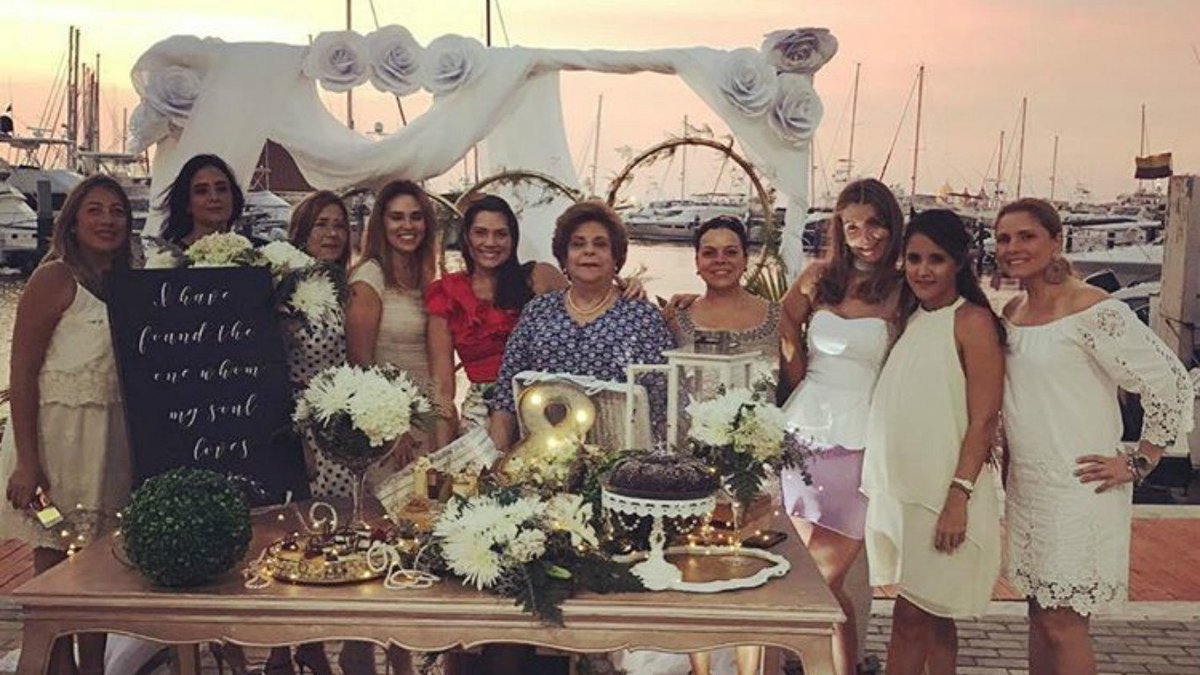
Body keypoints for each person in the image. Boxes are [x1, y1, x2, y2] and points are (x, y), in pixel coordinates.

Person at [995, 198, 1192, 674]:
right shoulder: (1013, 310)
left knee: (1064, 624)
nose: (1012, 247)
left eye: (1026, 236)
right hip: (1029, 487)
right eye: (1003, 238)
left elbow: (1170, 381)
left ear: (1056, 241)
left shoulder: (1093, 309)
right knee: (1039, 614)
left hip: (1080, 486)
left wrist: (1140, 461)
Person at [0, 175, 135, 675]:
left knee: (100, 561)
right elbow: (22, 370)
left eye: (117, 211)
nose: (107, 220)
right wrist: (28, 462)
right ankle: (58, 664)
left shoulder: (128, 283)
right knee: (56, 551)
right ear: (73, 221)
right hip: (56, 445)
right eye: (94, 210)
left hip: (111, 443)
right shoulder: (54, 279)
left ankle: (92, 664)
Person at [861, 209, 1005, 675]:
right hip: (907, 491)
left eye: (936, 259)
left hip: (945, 494)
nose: (923, 270)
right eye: (914, 258)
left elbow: (983, 420)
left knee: (910, 619)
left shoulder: (972, 321)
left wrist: (958, 498)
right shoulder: (913, 317)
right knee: (935, 617)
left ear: (959, 262)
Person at [776, 178, 904, 675]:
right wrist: (797, 375)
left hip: (862, 442)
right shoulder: (819, 278)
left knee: (822, 579)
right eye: (852, 227)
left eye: (874, 224)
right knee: (815, 580)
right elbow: (784, 322)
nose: (864, 237)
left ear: (892, 225)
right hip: (803, 435)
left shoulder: (904, 290)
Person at [668, 216, 779, 675]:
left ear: (746, 259)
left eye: (730, 251)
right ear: (696, 262)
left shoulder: (776, 316)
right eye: (709, 252)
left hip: (756, 464)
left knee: (751, 574)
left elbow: (793, 382)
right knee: (695, 570)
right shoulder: (677, 318)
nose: (720, 260)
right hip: (693, 463)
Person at [487, 200, 675, 453]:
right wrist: (493, 464)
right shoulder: (538, 311)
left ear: (616, 257)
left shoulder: (643, 317)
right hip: (545, 459)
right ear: (564, 258)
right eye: (578, 244)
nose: (589, 251)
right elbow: (505, 396)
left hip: (621, 460)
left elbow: (663, 403)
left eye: (600, 244)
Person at [425, 194, 567, 448]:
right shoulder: (446, 293)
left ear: (513, 239)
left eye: (501, 234)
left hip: (543, 405)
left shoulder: (540, 278)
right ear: (466, 237)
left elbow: (590, 304)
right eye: (480, 233)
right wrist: (442, 454)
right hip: (483, 414)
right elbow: (442, 387)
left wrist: (630, 287)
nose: (490, 242)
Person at [157, 153, 245, 247]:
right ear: (187, 203)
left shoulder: (249, 248)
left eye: (221, 189)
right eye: (202, 191)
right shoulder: (172, 254)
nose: (214, 197)